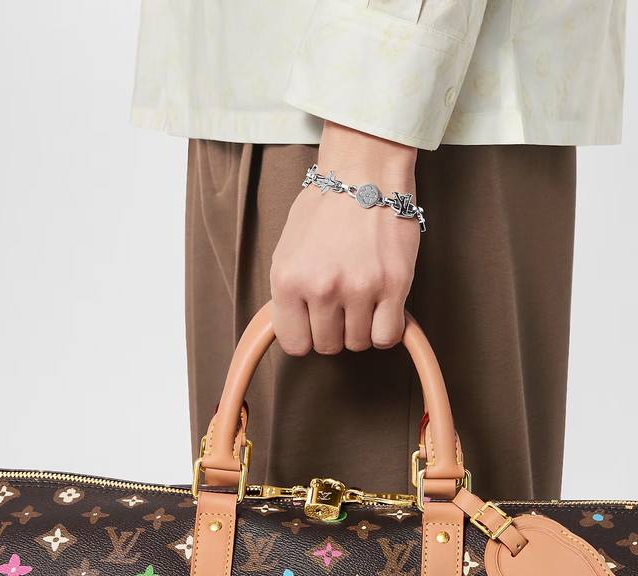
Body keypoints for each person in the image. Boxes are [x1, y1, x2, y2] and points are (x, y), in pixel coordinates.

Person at [132, 0, 626, 499]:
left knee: (423, 533)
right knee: (235, 519)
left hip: (382, 115)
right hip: (248, 97)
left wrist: (366, 153)